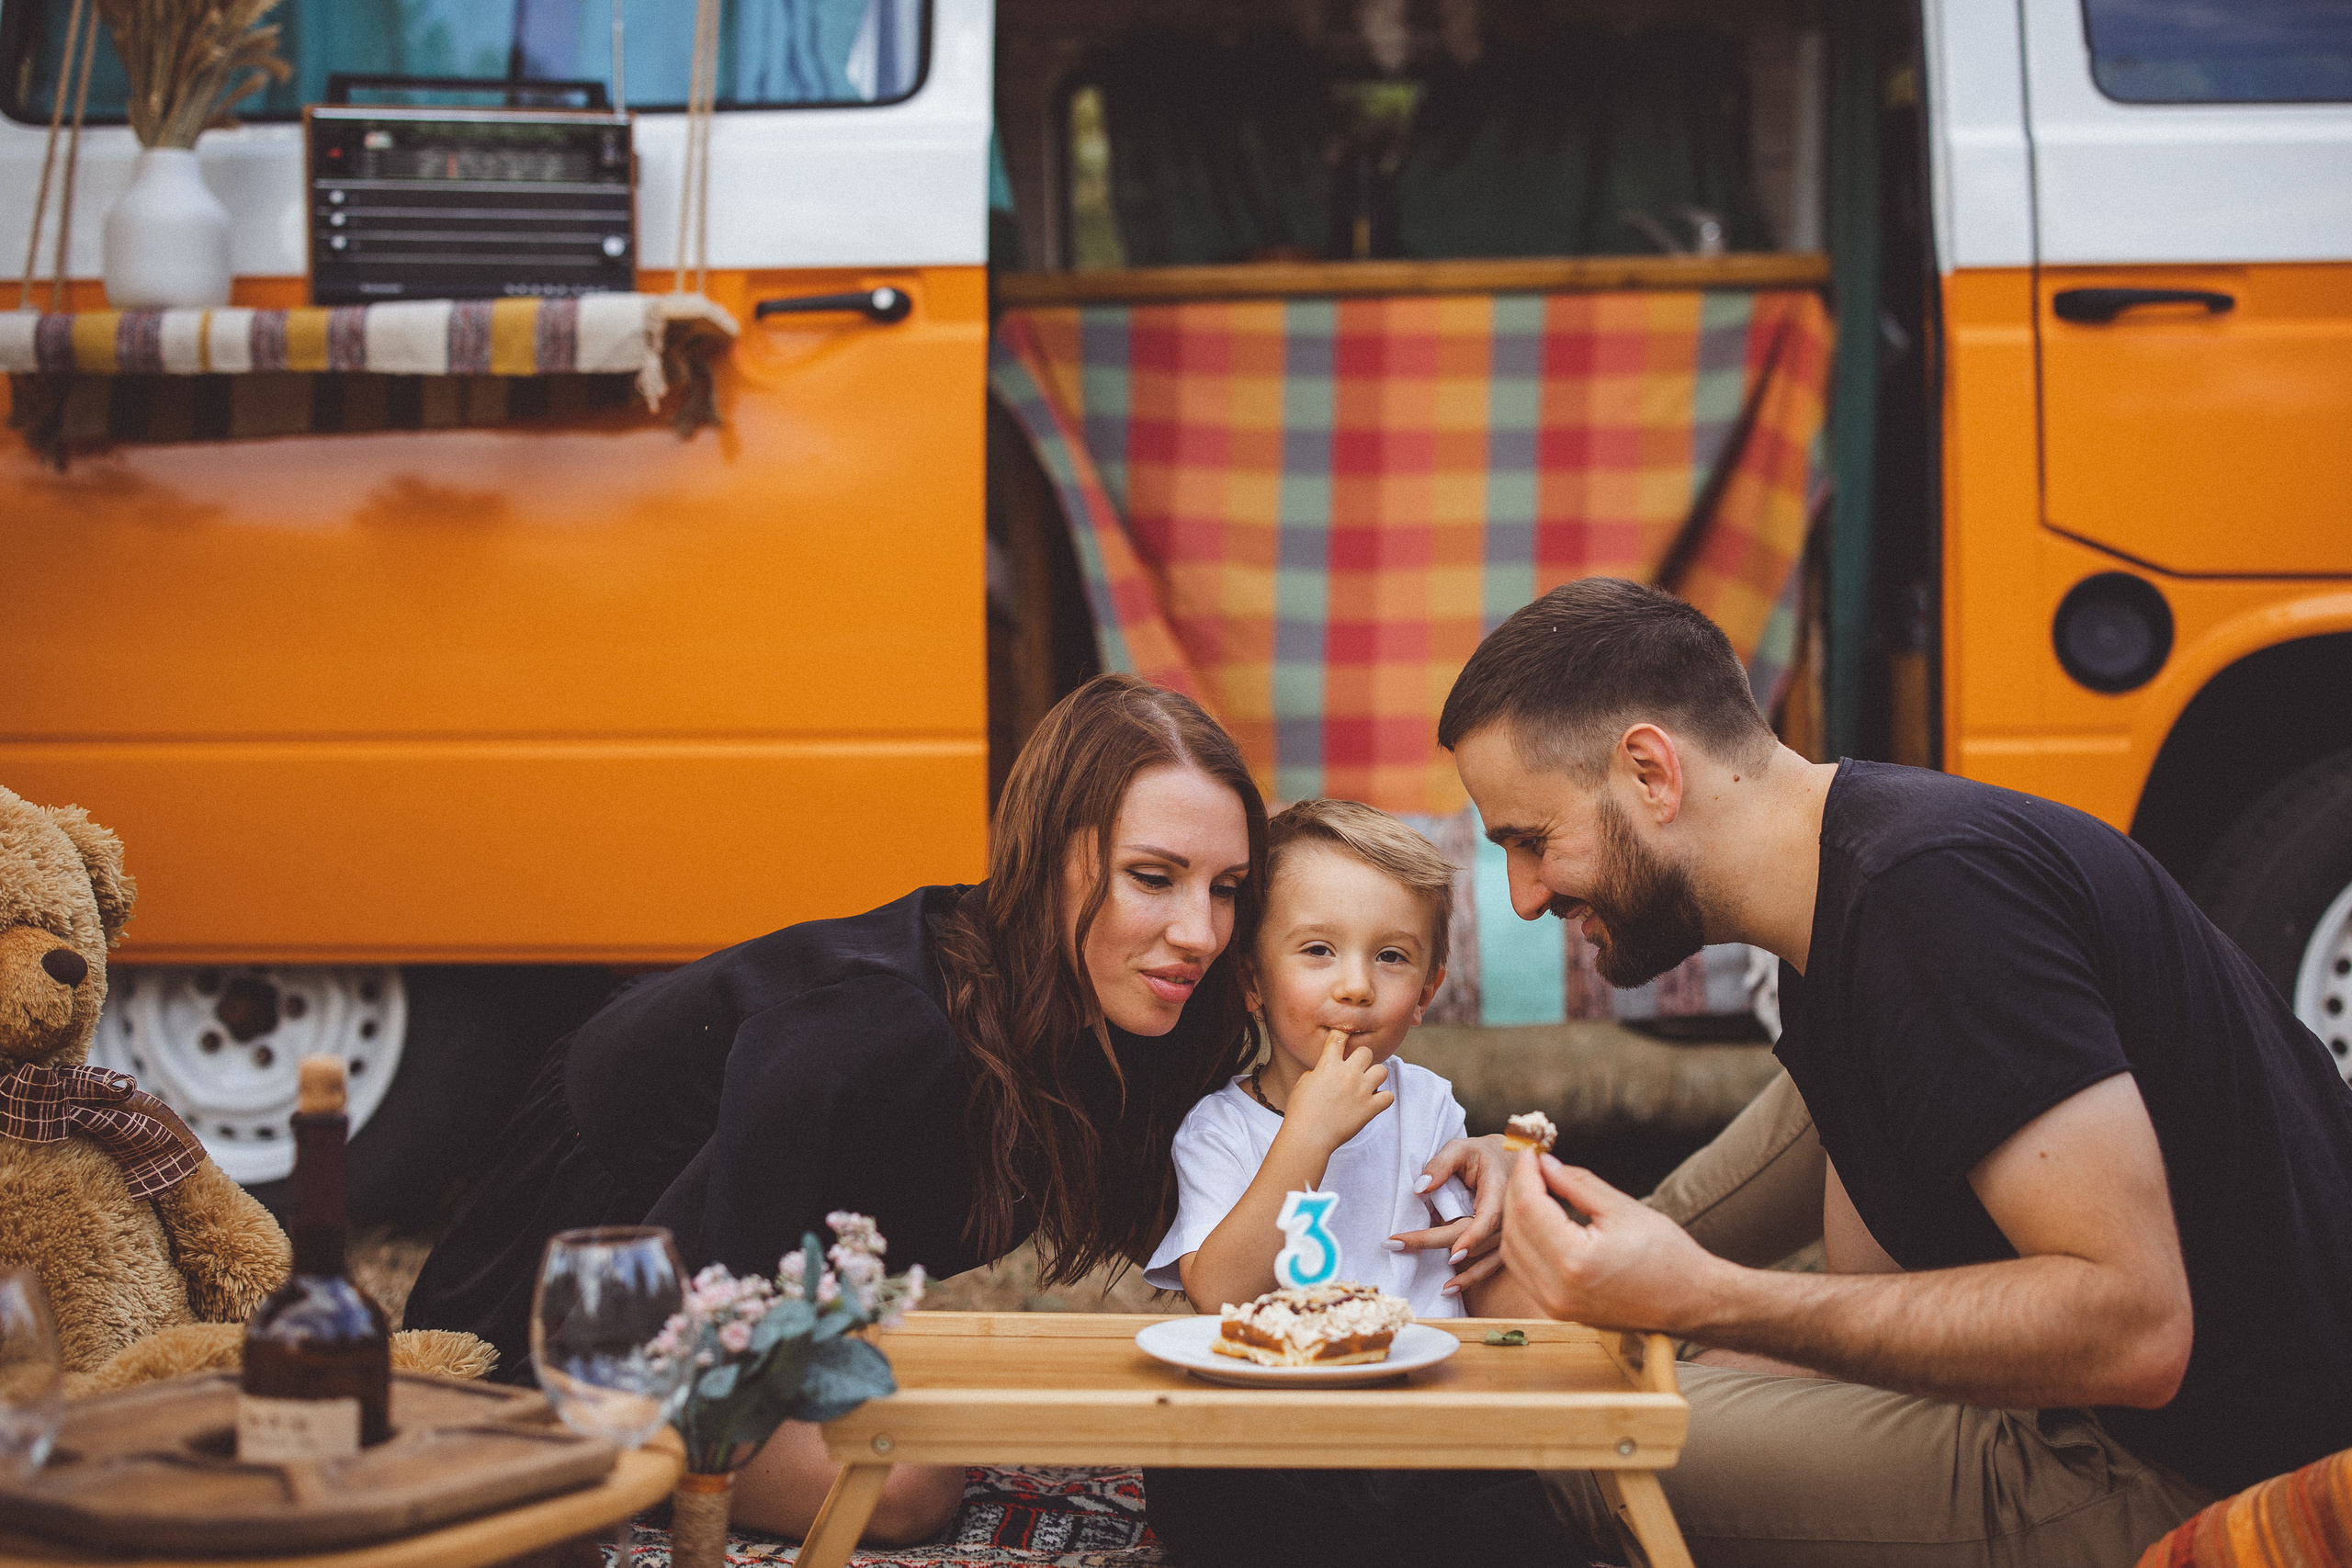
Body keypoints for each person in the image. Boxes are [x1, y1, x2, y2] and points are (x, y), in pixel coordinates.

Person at [1437, 578, 2352, 1566]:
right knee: (1576, 1370)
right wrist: (1561, 1227)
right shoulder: (1848, 881)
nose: (1526, 897)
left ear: (1652, 773)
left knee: (1550, 1438)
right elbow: (1841, 1261)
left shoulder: (1932, 902)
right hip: (2094, 1421)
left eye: (1530, 842)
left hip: (2181, 1468)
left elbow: (2133, 1326)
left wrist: (1706, 1300)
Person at [405, 672, 1269, 1544]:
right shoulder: (876, 1032)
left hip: (742, 1303)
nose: (1200, 930)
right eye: (1153, 876)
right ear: (1044, 856)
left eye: (1226, 888)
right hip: (565, 1327)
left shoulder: (1110, 1016)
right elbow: (671, 1303)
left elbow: (1226, 1262)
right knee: (904, 1483)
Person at [1138, 800, 1566, 1568]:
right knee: (1191, 1481)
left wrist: (1502, 1168)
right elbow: (1217, 1289)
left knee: (1518, 1507)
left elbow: (1479, 1272)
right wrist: (1306, 1135)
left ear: (1428, 991)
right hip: (1274, 1434)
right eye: (1318, 950)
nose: (1357, 986)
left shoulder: (1431, 1106)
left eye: (1392, 958)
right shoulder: (1218, 1128)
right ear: (1252, 984)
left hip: (1420, 1430)